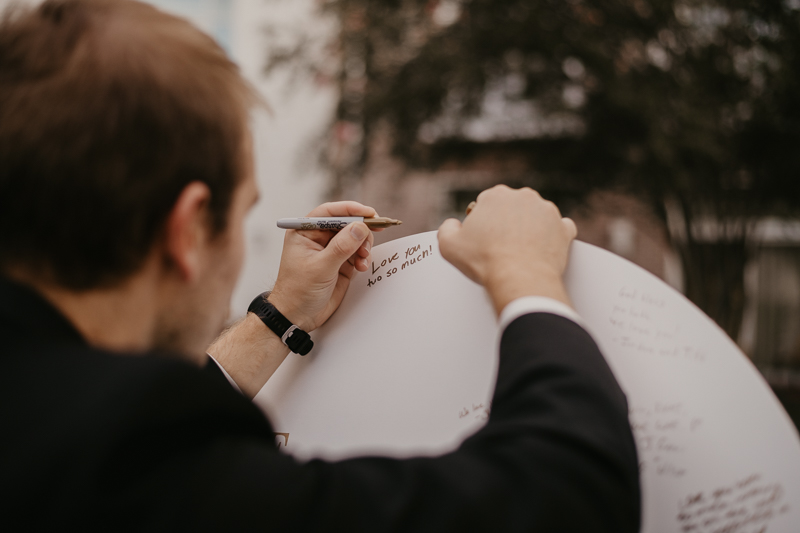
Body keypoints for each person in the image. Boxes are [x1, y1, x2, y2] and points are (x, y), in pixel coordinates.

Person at [0, 0, 640, 530]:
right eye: (244, 214)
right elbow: (564, 496)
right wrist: (526, 275)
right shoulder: (136, 461)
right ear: (190, 229)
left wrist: (279, 318)